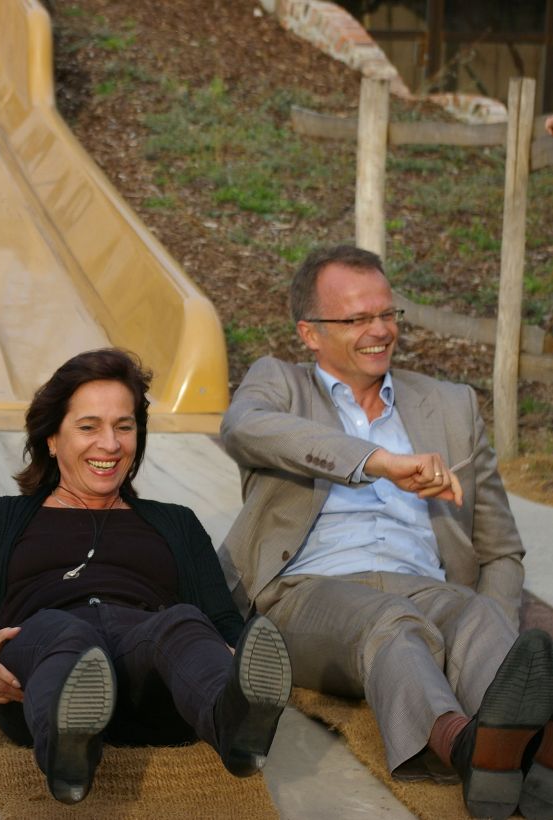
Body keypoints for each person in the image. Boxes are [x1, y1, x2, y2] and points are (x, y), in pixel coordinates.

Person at [220, 244, 553, 819]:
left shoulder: (450, 406)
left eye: (387, 314)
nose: (379, 331)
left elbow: (501, 550)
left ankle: (524, 754)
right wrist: (377, 461)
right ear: (310, 333)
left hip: (424, 584)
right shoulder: (278, 385)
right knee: (391, 624)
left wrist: (494, 616)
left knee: (476, 617)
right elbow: (245, 428)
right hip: (306, 593)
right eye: (356, 319)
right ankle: (462, 745)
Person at [0, 348, 291, 805]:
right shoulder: (3, 516)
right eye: (89, 427)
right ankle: (69, 746)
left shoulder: (177, 522)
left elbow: (222, 618)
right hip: (41, 650)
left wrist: (231, 648)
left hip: (146, 669)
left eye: (123, 427)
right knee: (64, 634)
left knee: (184, 622)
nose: (109, 444)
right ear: (52, 437)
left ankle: (235, 723)